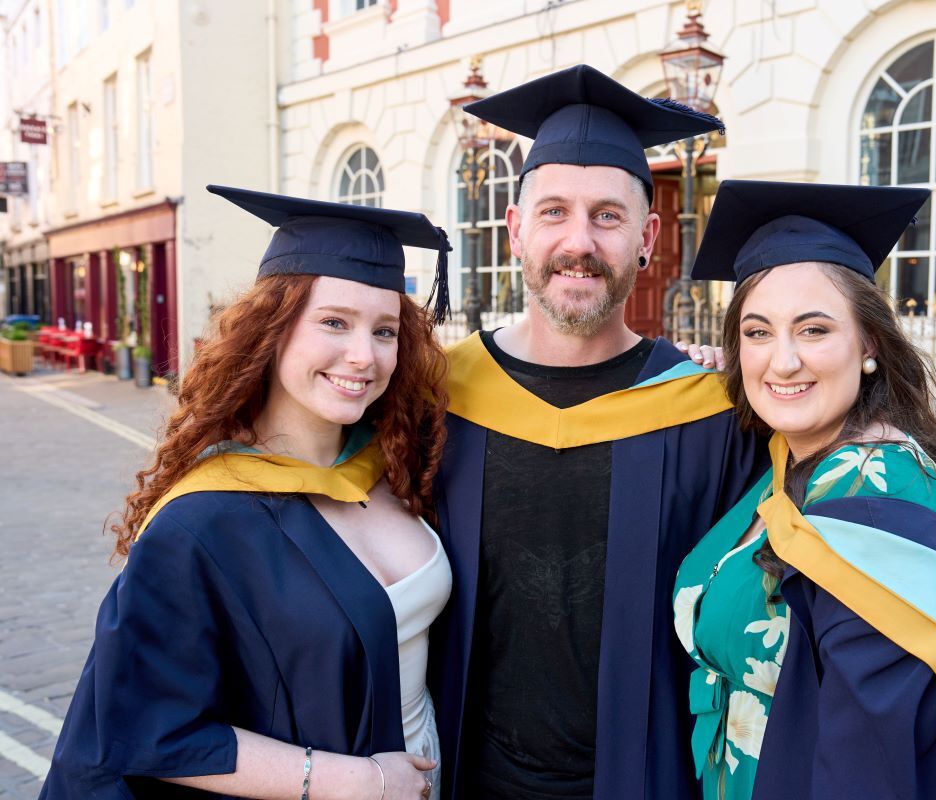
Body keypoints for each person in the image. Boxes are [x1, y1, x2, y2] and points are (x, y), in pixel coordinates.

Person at [672, 180, 936, 800]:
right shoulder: (786, 457)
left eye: (813, 330)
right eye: (757, 333)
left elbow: (870, 756)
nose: (781, 361)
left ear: (868, 343)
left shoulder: (875, 492)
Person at [42, 186, 454, 800]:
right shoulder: (202, 523)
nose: (364, 356)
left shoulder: (396, 464)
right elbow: (153, 728)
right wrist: (358, 780)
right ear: (272, 330)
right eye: (334, 322)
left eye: (386, 330)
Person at [429, 65, 768, 799]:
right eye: (554, 212)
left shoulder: (707, 411)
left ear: (647, 237)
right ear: (516, 230)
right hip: (467, 775)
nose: (578, 241)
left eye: (607, 217)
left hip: (650, 777)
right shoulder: (436, 398)